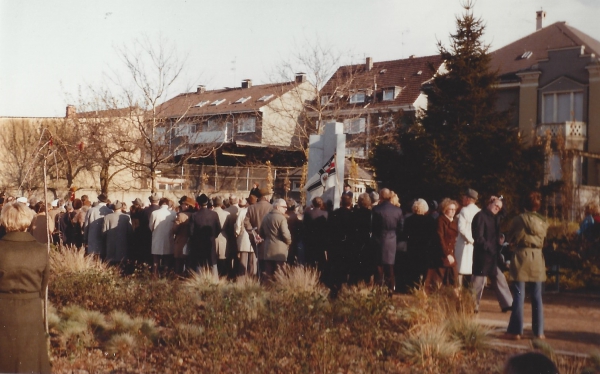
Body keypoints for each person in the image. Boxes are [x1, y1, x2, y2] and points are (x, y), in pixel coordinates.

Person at [0, 202, 51, 373]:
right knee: (29, 362)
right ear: (28, 220)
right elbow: (43, 286)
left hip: (3, 311)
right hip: (31, 310)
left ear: (5, 221)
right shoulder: (41, 250)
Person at [503, 191, 549, 340]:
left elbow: (510, 237)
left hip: (521, 256)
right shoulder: (543, 221)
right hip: (537, 257)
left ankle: (515, 331)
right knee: (537, 296)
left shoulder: (518, 220)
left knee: (519, 295)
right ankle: (539, 331)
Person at [471, 196, 513, 313]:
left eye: (499, 207)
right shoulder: (480, 216)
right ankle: (471, 305)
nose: (497, 208)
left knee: (499, 278)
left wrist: (501, 201)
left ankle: (508, 304)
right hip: (482, 256)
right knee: (477, 283)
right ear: (489, 203)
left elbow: (505, 212)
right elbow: (478, 237)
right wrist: (489, 247)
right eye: (495, 205)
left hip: (492, 256)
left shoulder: (495, 217)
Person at [371, 188, 403, 292]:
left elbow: (373, 226)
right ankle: (390, 289)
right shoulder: (398, 210)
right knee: (390, 266)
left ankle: (378, 288)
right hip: (392, 240)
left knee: (379, 266)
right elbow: (401, 227)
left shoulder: (376, 210)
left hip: (379, 239)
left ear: (380, 196)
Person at [425, 198, 459, 291]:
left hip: (450, 254)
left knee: (453, 279)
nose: (453, 211)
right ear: (445, 209)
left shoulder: (453, 222)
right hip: (441, 254)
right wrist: (447, 253)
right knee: (437, 280)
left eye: (454, 209)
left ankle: (456, 302)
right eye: (451, 209)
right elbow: (440, 238)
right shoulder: (440, 221)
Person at [402, 198, 435, 291]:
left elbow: (405, 234)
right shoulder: (430, 220)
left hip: (413, 246)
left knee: (413, 268)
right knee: (424, 268)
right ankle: (422, 286)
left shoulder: (409, 220)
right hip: (425, 247)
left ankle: (413, 287)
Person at [188, 194, 221, 277]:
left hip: (198, 243)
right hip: (210, 241)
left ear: (198, 203)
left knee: (199, 264)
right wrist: (213, 236)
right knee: (213, 263)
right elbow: (218, 228)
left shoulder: (194, 215)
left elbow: (191, 232)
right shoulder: (214, 214)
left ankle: (199, 281)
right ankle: (215, 281)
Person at [259, 199, 292, 281]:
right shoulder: (281, 218)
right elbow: (286, 234)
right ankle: (278, 292)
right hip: (280, 250)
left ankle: (267, 291)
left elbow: (261, 233)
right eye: (284, 207)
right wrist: (288, 243)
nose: (286, 209)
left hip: (268, 248)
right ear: (277, 207)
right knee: (280, 273)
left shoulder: (266, 217)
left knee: (268, 273)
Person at [455, 188, 481, 287]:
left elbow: (461, 228)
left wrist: (470, 240)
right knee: (471, 271)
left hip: (464, 244)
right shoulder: (479, 211)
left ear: (468, 199)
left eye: (464, 197)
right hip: (475, 246)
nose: (463, 198)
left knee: (461, 271)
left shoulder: (464, 210)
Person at [243, 188, 272, 274]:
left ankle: (259, 280)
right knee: (268, 264)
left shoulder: (251, 208)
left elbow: (246, 222)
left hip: (256, 240)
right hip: (268, 239)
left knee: (260, 261)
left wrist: (255, 234)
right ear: (266, 197)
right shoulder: (271, 208)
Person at [302, 197, 329, 271]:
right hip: (320, 240)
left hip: (310, 239)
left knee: (310, 259)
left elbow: (304, 225)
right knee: (320, 259)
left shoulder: (308, 213)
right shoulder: (325, 213)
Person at [150, 198, 175, 276]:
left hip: (157, 237)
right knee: (167, 258)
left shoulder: (154, 213)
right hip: (168, 237)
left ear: (159, 204)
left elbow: (151, 226)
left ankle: (155, 275)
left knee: (156, 259)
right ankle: (165, 275)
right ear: (168, 204)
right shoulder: (173, 213)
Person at [102, 201, 133, 265]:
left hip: (111, 243)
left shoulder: (107, 217)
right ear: (121, 207)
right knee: (122, 262)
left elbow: (104, 231)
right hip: (123, 243)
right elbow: (130, 232)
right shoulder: (126, 217)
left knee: (111, 262)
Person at [353, 192, 373, 284]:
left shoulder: (355, 213)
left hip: (356, 238)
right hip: (366, 238)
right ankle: (365, 279)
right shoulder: (371, 214)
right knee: (366, 260)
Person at [171, 197, 195, 275]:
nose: (181, 205)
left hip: (181, 241)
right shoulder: (194, 214)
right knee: (189, 263)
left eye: (182, 204)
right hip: (191, 242)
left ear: (187, 205)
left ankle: (178, 278)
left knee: (178, 263)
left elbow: (174, 229)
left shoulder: (181, 215)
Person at [234, 198, 255, 276]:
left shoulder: (242, 212)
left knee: (243, 260)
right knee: (252, 262)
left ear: (247, 203)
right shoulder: (255, 211)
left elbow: (237, 225)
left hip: (244, 238)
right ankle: (252, 279)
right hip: (253, 237)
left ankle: (242, 280)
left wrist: (237, 233)